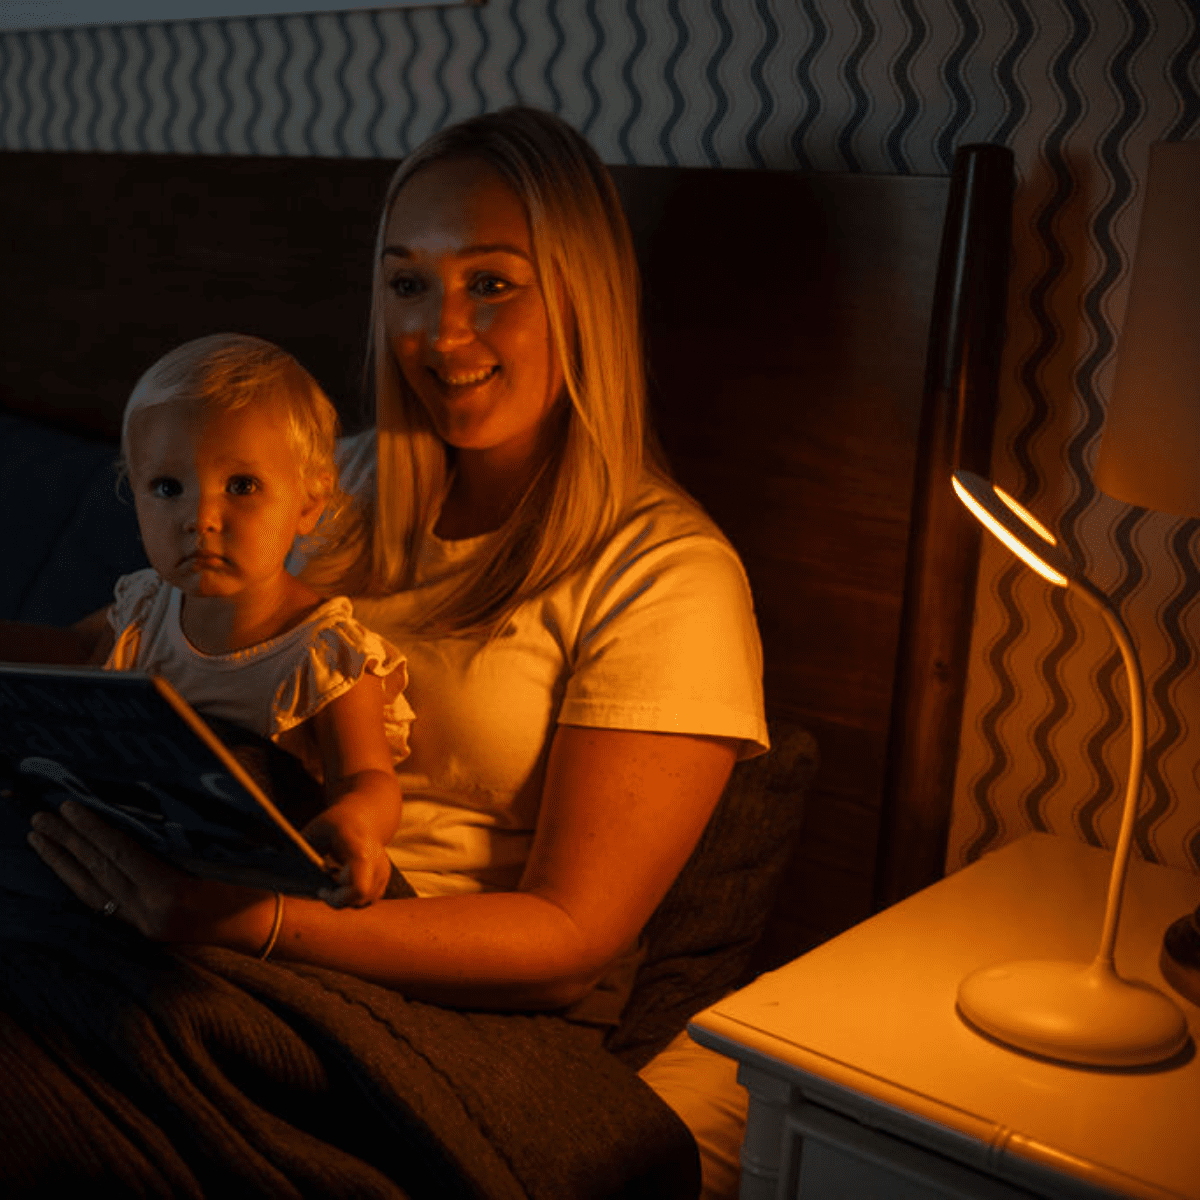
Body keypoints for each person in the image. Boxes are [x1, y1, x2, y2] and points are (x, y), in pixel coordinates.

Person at [24, 107, 768, 1196]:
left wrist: (259, 923)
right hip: (195, 920)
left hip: (433, 1005)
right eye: (408, 283)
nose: (441, 333)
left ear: (584, 297)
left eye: (493, 284)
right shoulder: (331, 483)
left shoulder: (666, 574)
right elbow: (150, 652)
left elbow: (569, 941)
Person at [102, 333, 413, 908]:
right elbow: (61, 656)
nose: (200, 518)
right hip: (152, 863)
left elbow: (367, 778)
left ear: (308, 504)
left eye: (241, 486)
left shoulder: (323, 652)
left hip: (268, 892)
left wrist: (358, 826)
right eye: (167, 487)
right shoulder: (146, 606)